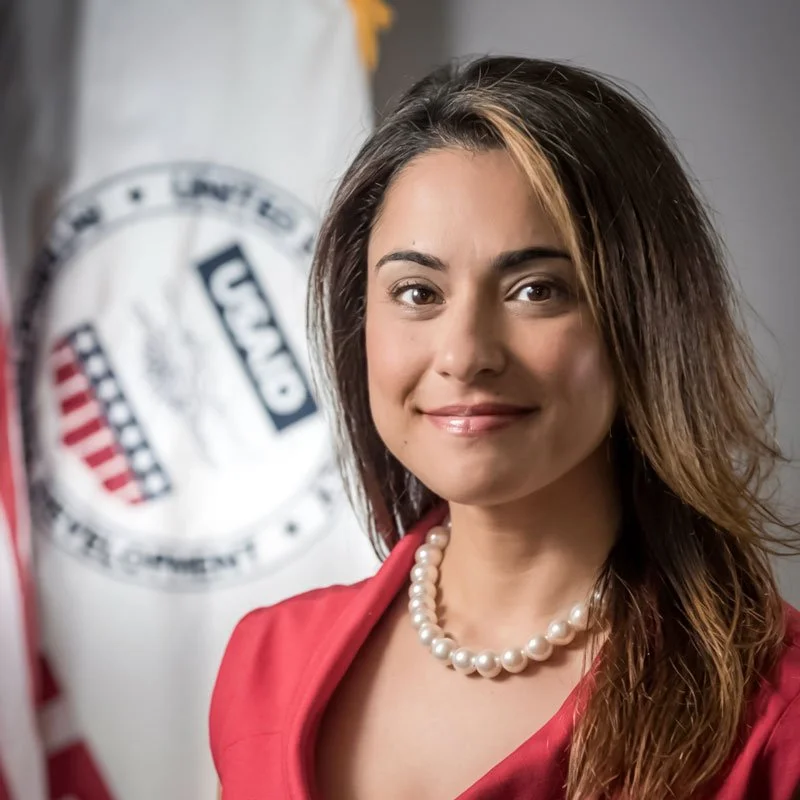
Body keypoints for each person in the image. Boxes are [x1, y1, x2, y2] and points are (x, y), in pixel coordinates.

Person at [209, 56, 800, 799]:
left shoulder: (776, 719)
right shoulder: (264, 664)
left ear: (648, 319)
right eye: (417, 291)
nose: (464, 356)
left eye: (536, 289)